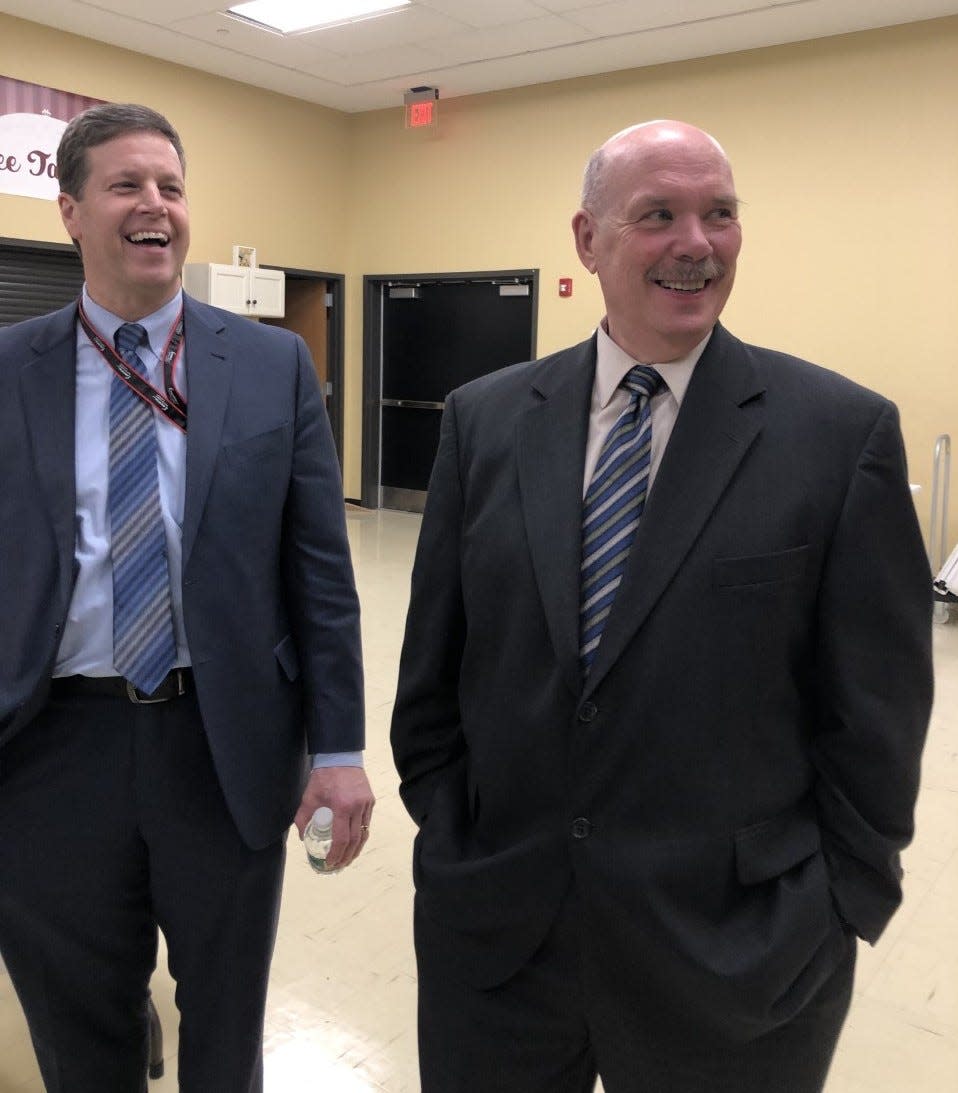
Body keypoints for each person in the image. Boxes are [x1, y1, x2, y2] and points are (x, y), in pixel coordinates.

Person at [390, 120, 933, 1092]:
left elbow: (878, 714)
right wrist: (451, 834)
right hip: (501, 936)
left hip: (739, 958)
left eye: (719, 213)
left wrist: (839, 900)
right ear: (586, 239)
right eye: (659, 215)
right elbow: (437, 665)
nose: (697, 242)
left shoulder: (837, 433)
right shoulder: (487, 420)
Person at [0, 103, 374, 1092]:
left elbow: (320, 574)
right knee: (78, 1016)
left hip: (225, 740)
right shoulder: (7, 371)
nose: (153, 206)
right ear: (70, 209)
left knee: (224, 1018)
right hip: (48, 746)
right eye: (125, 185)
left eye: (169, 186)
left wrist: (337, 750)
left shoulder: (269, 364)